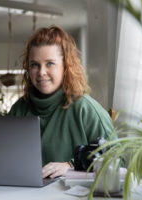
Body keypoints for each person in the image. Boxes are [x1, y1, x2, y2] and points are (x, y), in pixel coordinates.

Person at [9, 25, 117, 179]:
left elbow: (117, 157)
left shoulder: (85, 109)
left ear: (66, 67)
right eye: (35, 65)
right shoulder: (19, 109)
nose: (41, 72)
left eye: (50, 63)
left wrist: (72, 166)